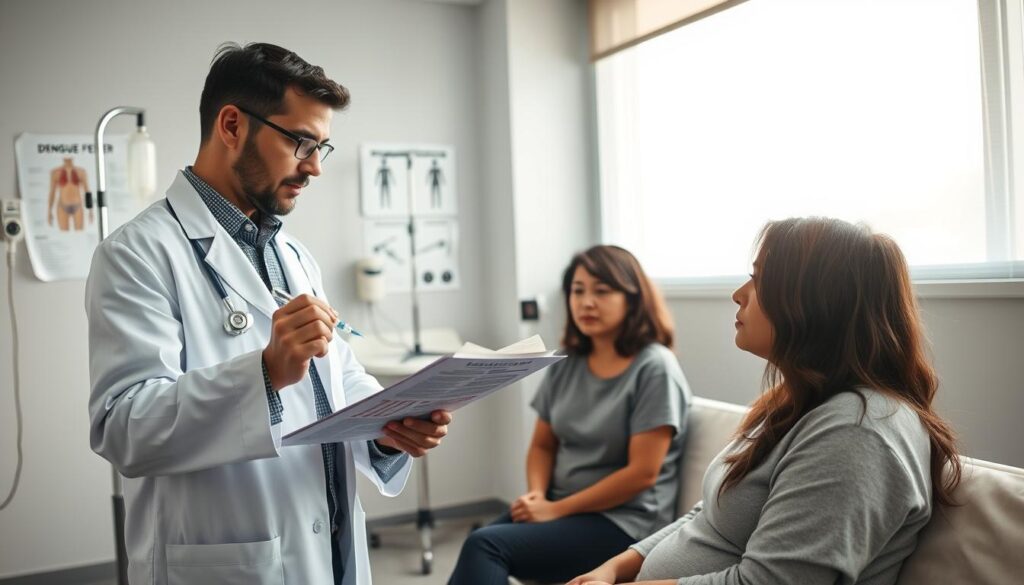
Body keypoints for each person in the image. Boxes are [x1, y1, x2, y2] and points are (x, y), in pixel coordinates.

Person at [86, 42, 453, 585]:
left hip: (327, 548)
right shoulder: (136, 254)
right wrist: (265, 373)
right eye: (302, 142)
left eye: (321, 148)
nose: (314, 168)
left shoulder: (291, 253)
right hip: (227, 561)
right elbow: (122, 428)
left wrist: (386, 430)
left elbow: (337, 379)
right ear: (232, 125)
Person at [568, 217, 962, 585]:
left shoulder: (857, 431)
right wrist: (614, 568)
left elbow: (769, 582)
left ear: (816, 301)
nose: (738, 294)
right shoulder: (795, 405)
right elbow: (711, 515)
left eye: (759, 280)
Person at [449, 245, 692, 585]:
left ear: (633, 299)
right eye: (577, 291)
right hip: (561, 507)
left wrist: (555, 510)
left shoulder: (655, 367)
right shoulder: (568, 362)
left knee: (485, 545)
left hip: (624, 523)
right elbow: (543, 446)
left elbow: (642, 474)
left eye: (602, 291)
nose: (586, 302)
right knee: (477, 550)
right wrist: (537, 495)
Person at [48, 157, 92, 231]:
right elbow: (52, 192)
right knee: (64, 235)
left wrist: (91, 210)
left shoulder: (81, 172)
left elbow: (87, 191)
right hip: (62, 205)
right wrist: (49, 211)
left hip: (77, 205)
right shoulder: (55, 172)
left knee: (80, 233)